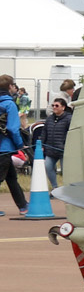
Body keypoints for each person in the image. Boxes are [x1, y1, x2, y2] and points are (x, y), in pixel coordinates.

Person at [0, 75, 28, 213]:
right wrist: (19, 145)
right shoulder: (9, 104)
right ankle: (23, 205)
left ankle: (23, 205)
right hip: (4, 147)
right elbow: (12, 128)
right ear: (10, 86)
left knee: (11, 177)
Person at [40, 97, 72, 189]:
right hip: (50, 150)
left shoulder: (69, 119)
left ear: (63, 107)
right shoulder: (49, 119)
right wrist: (42, 144)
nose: (54, 107)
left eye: (57, 105)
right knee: (48, 167)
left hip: (63, 151)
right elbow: (44, 132)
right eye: (53, 105)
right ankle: (55, 188)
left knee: (65, 171)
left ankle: (68, 189)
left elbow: (71, 133)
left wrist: (66, 145)